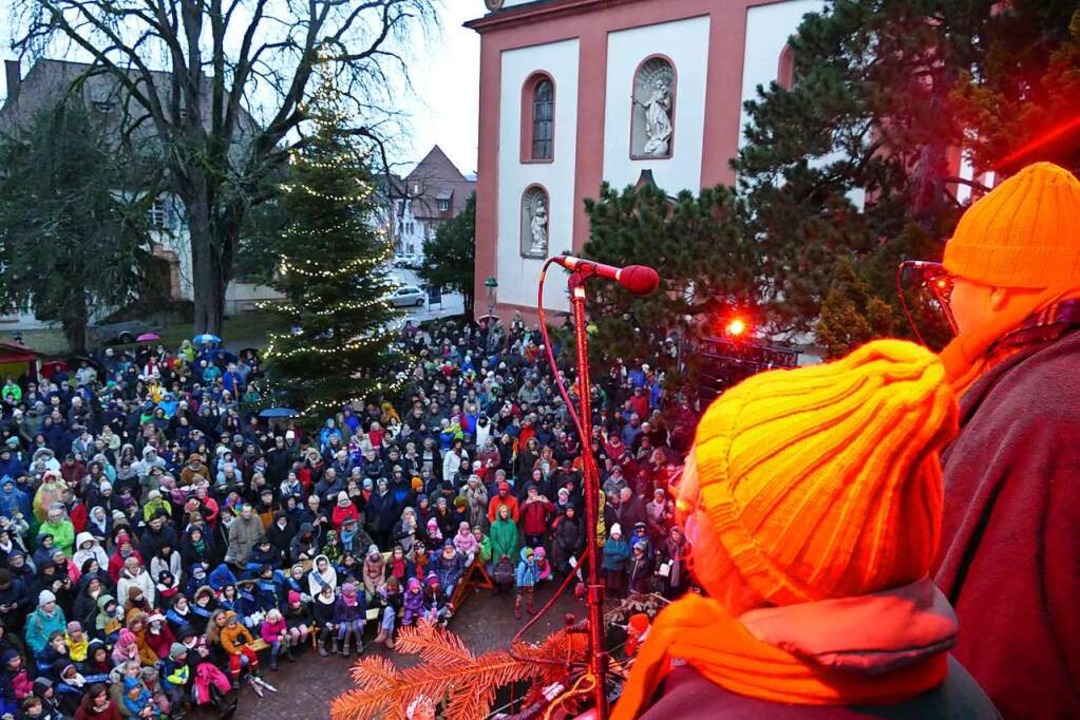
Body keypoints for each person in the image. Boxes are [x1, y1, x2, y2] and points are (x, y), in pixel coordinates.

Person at [611, 340, 998, 719]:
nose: (687, 526)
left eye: (700, 507)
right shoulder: (946, 679)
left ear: (769, 565)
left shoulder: (725, 709)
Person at [931, 162, 1080, 719]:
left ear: (998, 290)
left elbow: (1007, 656)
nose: (947, 302)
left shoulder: (1042, 415)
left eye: (952, 282)